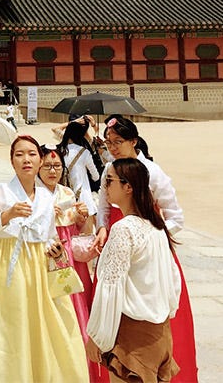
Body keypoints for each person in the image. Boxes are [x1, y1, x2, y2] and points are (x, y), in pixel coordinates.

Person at [0, 135, 88, 382]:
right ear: (12, 161)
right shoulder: (2, 192)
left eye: (32, 154)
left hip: (40, 270)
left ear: (40, 159)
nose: (26, 159)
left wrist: (55, 248)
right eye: (19, 154)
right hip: (6, 267)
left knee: (46, 328)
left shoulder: (47, 197)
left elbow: (51, 235)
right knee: (7, 328)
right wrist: (5, 215)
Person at [93, 115, 197, 383]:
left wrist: (154, 237)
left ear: (134, 141)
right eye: (108, 142)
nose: (113, 147)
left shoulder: (153, 172)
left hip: (147, 243)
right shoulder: (109, 170)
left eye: (118, 142)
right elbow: (103, 207)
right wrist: (103, 227)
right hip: (119, 235)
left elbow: (175, 216)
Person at [86, 159, 181, 382]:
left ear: (128, 187)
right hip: (159, 333)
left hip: (131, 338)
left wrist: (99, 338)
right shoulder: (156, 226)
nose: (105, 187)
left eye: (109, 181)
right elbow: (172, 281)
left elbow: (110, 287)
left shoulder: (124, 229)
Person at [38, 145, 98, 382]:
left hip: (71, 258)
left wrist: (83, 217)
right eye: (47, 166)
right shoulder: (33, 195)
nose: (53, 171)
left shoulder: (67, 193)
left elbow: (80, 230)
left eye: (57, 166)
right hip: (47, 255)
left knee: (77, 310)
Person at [58, 119, 100, 224]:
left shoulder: (59, 151)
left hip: (63, 197)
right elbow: (96, 177)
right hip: (83, 198)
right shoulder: (84, 152)